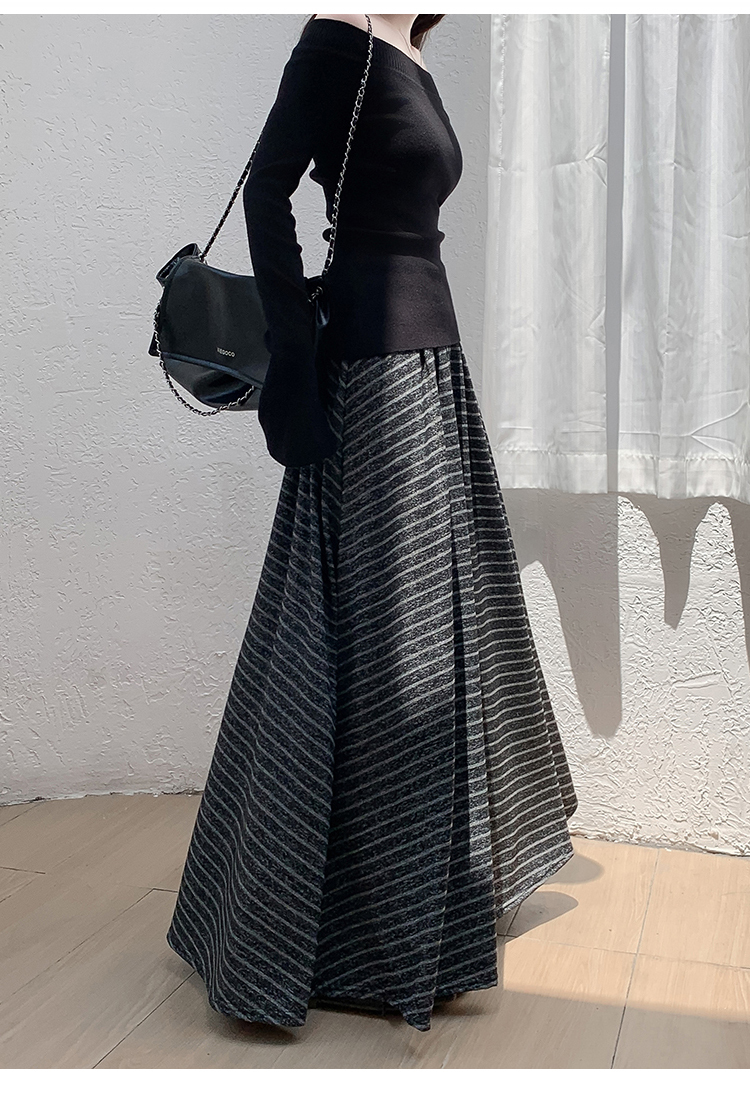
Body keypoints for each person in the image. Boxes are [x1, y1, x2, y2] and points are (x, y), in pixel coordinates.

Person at [166, 13, 579, 1035]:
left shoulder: (412, 45)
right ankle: (353, 934)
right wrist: (291, 360)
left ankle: (418, 915)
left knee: (427, 641)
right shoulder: (337, 36)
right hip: (374, 373)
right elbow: (267, 187)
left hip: (427, 369)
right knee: (391, 656)